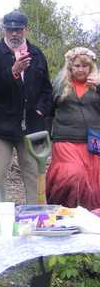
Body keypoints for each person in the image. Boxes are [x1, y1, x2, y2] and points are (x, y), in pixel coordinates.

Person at [0, 10, 52, 204]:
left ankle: (38, 221)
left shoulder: (37, 53)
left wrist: (41, 110)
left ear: (26, 30)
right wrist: (13, 72)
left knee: (35, 178)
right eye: (10, 29)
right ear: (4, 29)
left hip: (32, 128)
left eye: (18, 29)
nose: (14, 34)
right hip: (0, 127)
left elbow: (47, 89)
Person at [46, 47, 100, 210]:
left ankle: (91, 219)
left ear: (91, 67)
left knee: (93, 182)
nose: (81, 69)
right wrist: (48, 134)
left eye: (85, 66)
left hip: (94, 140)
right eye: (77, 66)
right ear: (70, 67)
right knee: (72, 175)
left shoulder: (97, 86)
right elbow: (48, 112)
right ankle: (65, 212)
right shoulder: (59, 86)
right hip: (65, 140)